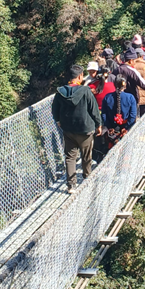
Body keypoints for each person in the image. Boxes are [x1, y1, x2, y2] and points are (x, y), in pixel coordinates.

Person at [51, 64, 102, 193]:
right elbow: (94, 109)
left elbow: (55, 109)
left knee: (70, 157)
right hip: (85, 130)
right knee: (86, 156)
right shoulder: (85, 91)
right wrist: (98, 124)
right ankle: (86, 178)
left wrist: (58, 121)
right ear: (80, 76)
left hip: (68, 129)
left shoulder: (60, 92)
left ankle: (71, 185)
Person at [101, 75, 137, 147]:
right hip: (125, 130)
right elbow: (133, 115)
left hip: (112, 130)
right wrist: (126, 128)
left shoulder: (107, 97)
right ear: (125, 85)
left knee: (112, 148)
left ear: (114, 85)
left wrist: (109, 126)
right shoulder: (130, 97)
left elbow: (104, 114)